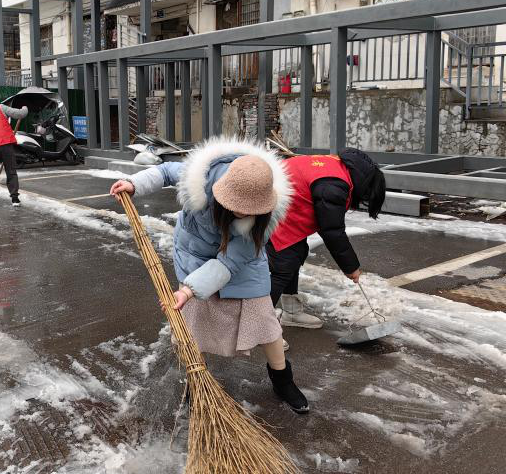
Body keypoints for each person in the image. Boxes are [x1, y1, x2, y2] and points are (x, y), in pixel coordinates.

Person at [110, 137, 309, 414]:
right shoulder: (202, 176)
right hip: (195, 256)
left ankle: (282, 379)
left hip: (241, 267)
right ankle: (197, 380)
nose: (244, 213)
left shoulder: (264, 220)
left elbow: (228, 263)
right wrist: (134, 184)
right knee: (194, 325)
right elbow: (166, 171)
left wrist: (188, 289)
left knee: (266, 324)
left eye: (251, 209)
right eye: (238, 206)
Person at [268, 149, 387, 330]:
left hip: (285, 206)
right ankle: (260, 328)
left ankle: (291, 312)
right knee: (283, 266)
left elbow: (328, 224)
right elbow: (332, 231)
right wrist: (351, 267)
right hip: (275, 209)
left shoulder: (338, 167)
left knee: (294, 254)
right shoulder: (334, 184)